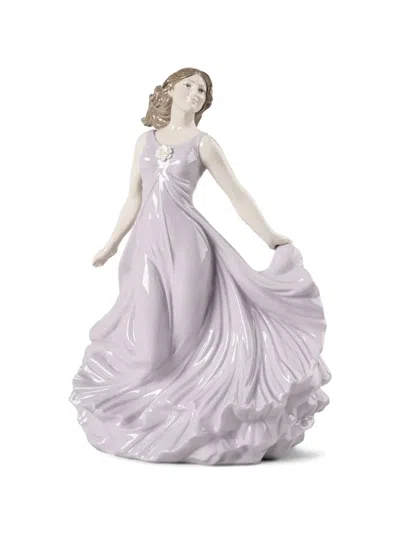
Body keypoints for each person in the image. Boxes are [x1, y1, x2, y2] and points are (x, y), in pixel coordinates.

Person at [69, 67, 331, 465]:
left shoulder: (203, 143)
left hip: (190, 247)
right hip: (146, 248)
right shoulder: (144, 141)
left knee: (188, 341)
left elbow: (236, 193)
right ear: (170, 90)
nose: (195, 92)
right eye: (188, 85)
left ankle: (196, 422)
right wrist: (111, 243)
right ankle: (150, 417)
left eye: (202, 89)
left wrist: (269, 236)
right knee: (150, 347)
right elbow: (133, 197)